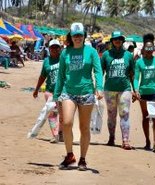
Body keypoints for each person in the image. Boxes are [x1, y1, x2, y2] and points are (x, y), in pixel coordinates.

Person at [53, 22, 103, 170]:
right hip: (68, 92)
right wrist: (56, 96)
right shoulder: (65, 53)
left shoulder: (91, 52)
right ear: (71, 36)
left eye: (80, 35)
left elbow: (98, 71)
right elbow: (61, 76)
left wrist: (99, 87)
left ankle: (82, 159)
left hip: (87, 93)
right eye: (75, 35)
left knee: (84, 128)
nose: (78, 38)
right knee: (67, 123)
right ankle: (70, 155)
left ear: (84, 36)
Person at [101, 30, 134, 150]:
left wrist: (134, 90)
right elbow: (100, 72)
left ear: (122, 40)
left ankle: (125, 140)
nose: (117, 41)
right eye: (115, 39)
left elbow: (132, 74)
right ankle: (111, 137)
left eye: (119, 39)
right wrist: (98, 88)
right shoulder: (106, 55)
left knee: (124, 114)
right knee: (111, 115)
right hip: (109, 90)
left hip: (125, 89)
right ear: (112, 41)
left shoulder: (128, 56)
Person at [33, 39, 63, 143]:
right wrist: (36, 89)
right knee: (52, 114)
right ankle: (55, 135)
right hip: (50, 91)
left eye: (56, 47)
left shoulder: (64, 59)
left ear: (60, 48)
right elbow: (42, 76)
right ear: (49, 49)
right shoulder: (46, 61)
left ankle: (61, 133)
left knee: (63, 114)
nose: (54, 49)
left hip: (63, 91)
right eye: (52, 47)